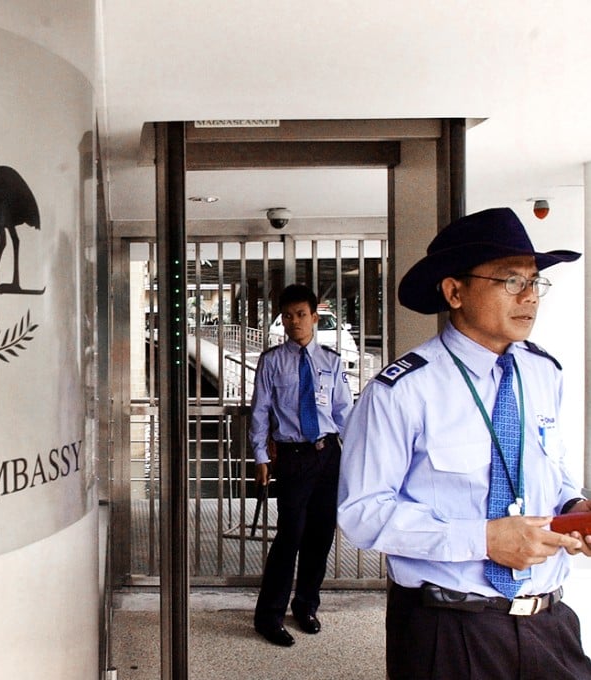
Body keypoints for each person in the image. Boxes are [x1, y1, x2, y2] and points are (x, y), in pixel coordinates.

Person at [338, 207, 591, 679]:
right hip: (448, 628)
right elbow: (362, 513)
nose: (530, 297)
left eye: (536, 282)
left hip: (548, 621)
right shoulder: (402, 391)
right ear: (455, 291)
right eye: (511, 281)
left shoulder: (544, 373)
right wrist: (483, 539)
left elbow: (550, 472)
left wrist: (575, 509)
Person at [250, 284, 354, 647]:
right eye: (288, 315)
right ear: (282, 318)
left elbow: (344, 412)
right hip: (293, 457)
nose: (295, 321)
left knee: (321, 535)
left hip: (328, 455)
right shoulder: (271, 360)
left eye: (302, 314)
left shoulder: (331, 360)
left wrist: (356, 457)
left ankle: (306, 606)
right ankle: (269, 616)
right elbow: (260, 411)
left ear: (314, 317)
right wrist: (261, 456)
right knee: (290, 535)